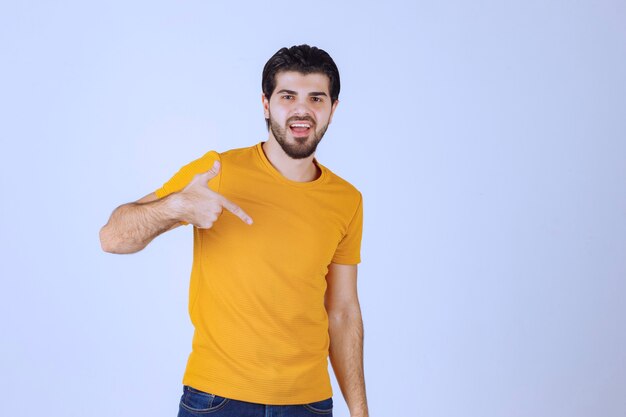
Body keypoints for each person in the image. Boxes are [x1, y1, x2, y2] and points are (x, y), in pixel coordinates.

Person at [100, 44, 369, 417]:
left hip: (309, 404)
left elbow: (342, 311)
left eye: (316, 98)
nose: (302, 110)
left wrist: (360, 410)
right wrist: (177, 206)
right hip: (217, 400)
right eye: (287, 96)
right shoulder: (218, 172)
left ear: (332, 109)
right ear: (266, 104)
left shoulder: (347, 199)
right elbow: (112, 238)